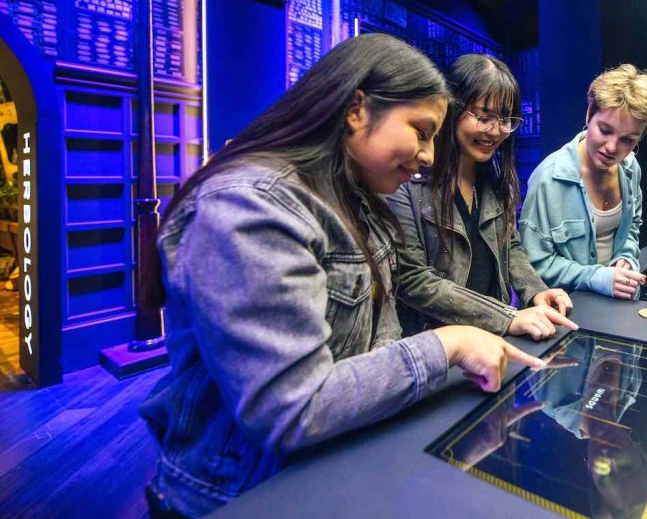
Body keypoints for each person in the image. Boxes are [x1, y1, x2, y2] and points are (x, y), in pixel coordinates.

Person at [139, 35, 543, 518]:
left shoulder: (356, 203)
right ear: (356, 110)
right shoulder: (251, 205)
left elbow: (377, 340)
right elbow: (290, 408)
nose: (429, 155)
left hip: (327, 473)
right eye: (420, 130)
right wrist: (449, 344)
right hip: (238, 495)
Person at [386, 53, 577, 340]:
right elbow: (413, 279)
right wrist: (508, 317)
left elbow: (511, 247)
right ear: (452, 108)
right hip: (438, 347)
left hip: (495, 338)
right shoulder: (407, 183)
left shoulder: (496, 180)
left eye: (505, 120)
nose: (496, 131)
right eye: (484, 117)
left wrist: (536, 291)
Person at [520, 64, 647, 299]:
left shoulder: (631, 168)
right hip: (569, 312)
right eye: (605, 130)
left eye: (627, 140)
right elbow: (535, 264)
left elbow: (632, 227)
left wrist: (626, 259)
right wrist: (596, 277)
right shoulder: (549, 177)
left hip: (617, 304)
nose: (612, 148)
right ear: (588, 115)